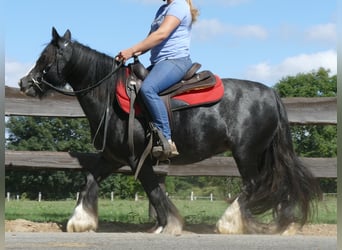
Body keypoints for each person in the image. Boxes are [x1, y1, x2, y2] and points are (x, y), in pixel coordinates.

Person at [116, 0, 199, 157]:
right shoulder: (163, 9)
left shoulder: (179, 5)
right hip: (159, 63)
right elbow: (150, 39)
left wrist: (131, 50)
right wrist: (131, 54)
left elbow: (161, 35)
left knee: (148, 89)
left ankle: (165, 140)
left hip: (175, 61)